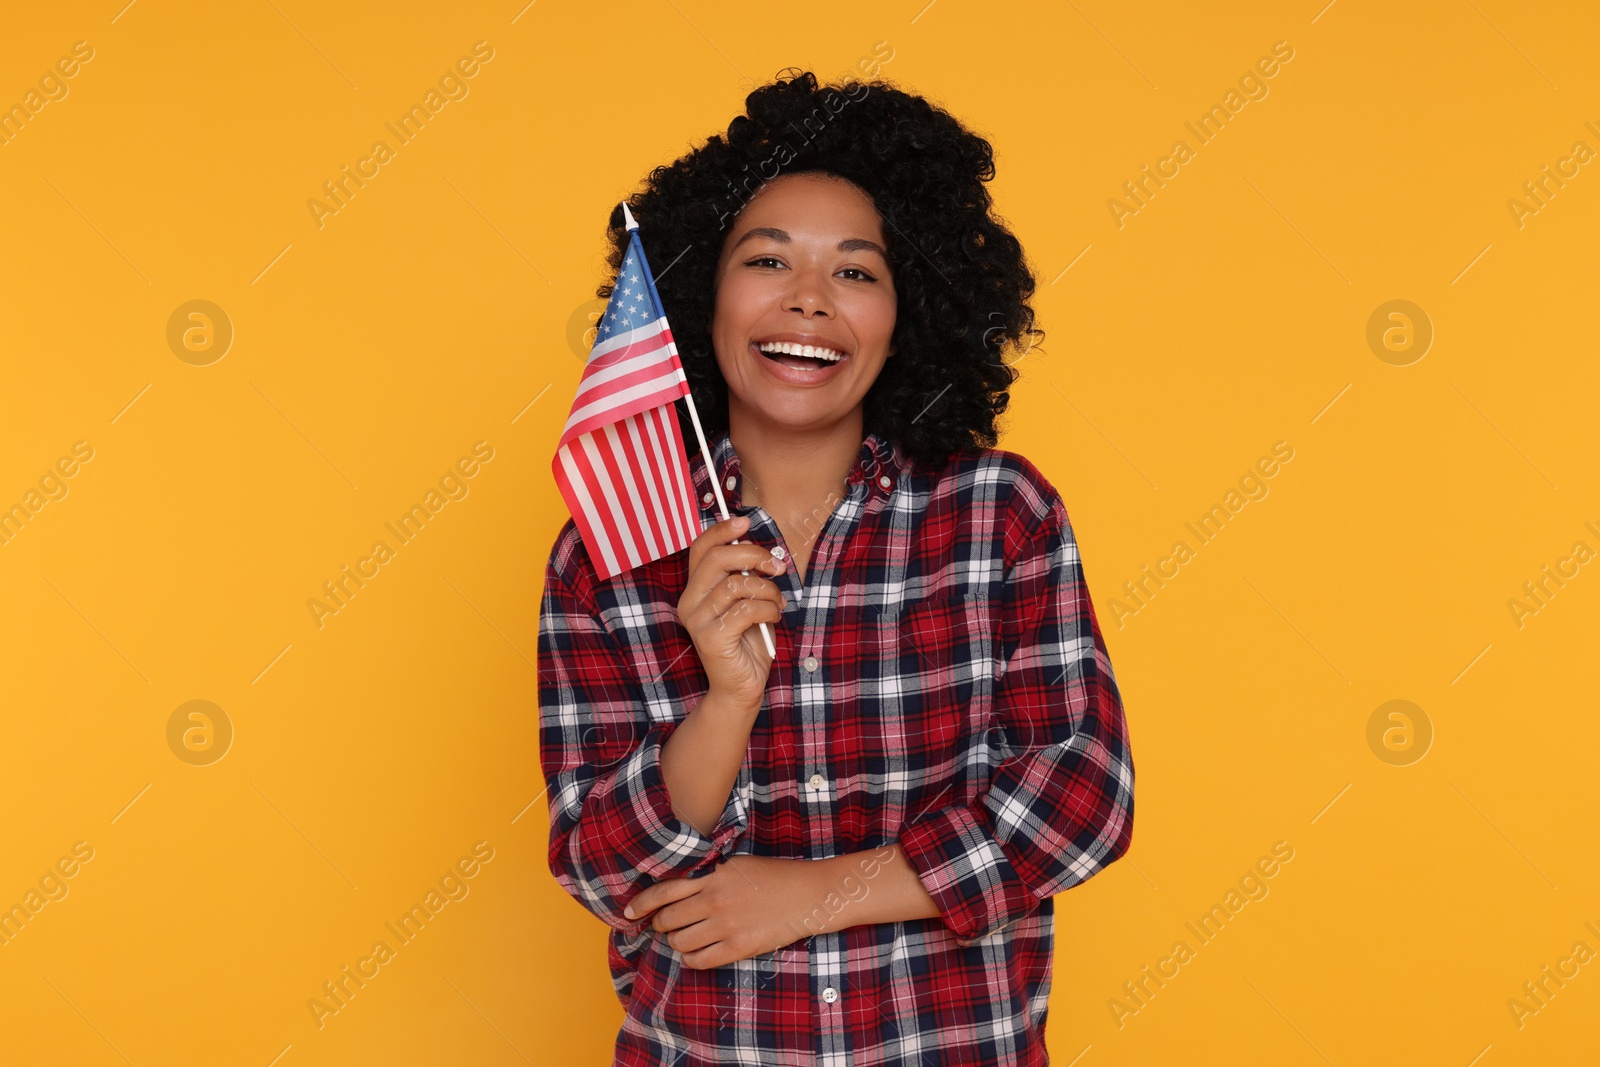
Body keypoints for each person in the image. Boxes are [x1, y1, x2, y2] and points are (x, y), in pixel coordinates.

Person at [538, 69, 1135, 1066]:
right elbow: (605, 867)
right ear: (702, 288)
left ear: (911, 313)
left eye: (856, 272)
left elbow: (1084, 797)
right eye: (766, 260)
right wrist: (726, 698)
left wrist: (811, 895)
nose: (808, 301)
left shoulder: (997, 514)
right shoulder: (610, 547)